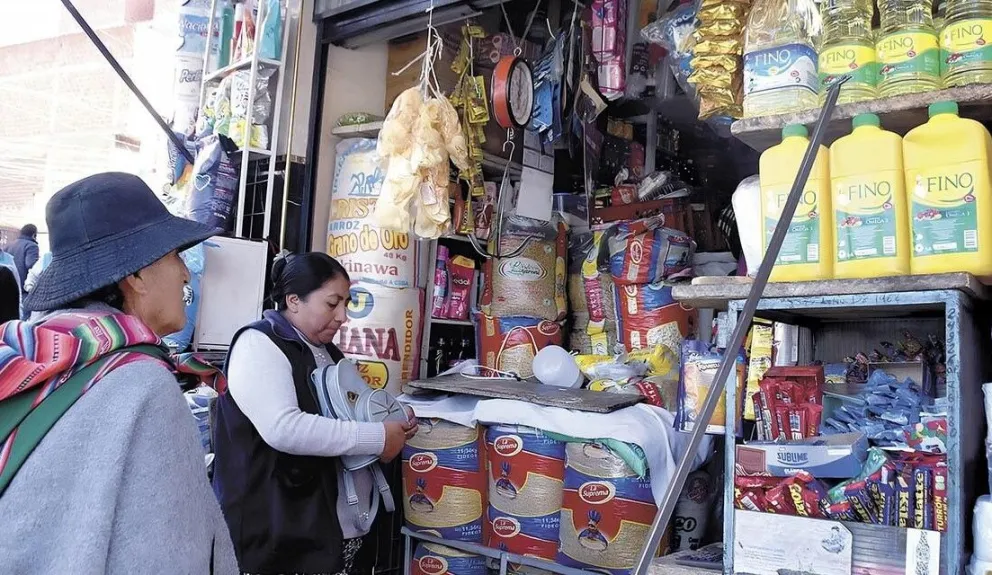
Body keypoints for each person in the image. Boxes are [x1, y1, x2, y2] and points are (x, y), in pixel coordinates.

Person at [0, 172, 238, 574]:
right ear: (137, 276)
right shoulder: (142, 385)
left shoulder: (42, 357)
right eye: (175, 255)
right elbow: (170, 555)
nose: (185, 273)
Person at [212, 252, 418, 575]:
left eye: (346, 304)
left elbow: (355, 410)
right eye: (332, 303)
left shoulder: (327, 352)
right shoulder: (259, 345)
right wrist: (378, 437)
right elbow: (284, 428)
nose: (342, 316)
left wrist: (394, 417)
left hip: (322, 534)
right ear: (294, 301)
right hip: (272, 534)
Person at [7, 223, 39, 296]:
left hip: (7, 284)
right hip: (22, 287)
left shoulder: (9, 245)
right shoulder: (32, 246)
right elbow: (31, 265)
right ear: (34, 235)